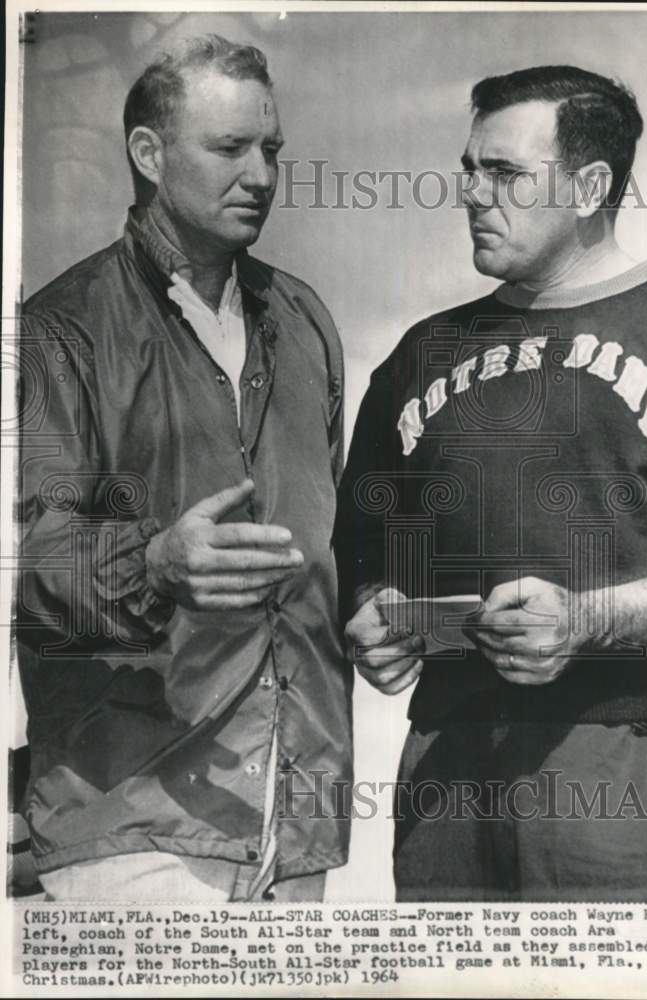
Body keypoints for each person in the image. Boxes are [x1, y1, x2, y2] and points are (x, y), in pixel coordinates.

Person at [335, 65, 647, 903]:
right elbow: (364, 540)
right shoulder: (419, 353)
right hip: (445, 758)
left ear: (587, 186)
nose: (471, 193)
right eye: (469, 169)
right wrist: (372, 611)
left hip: (622, 754)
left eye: (503, 172)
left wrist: (585, 619)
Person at [17, 35, 351, 902]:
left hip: (294, 824)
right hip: (129, 827)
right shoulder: (58, 330)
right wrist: (154, 563)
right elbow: (25, 557)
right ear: (148, 154)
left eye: (270, 149)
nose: (262, 175)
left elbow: (330, 540)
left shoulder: (305, 321)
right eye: (230, 148)